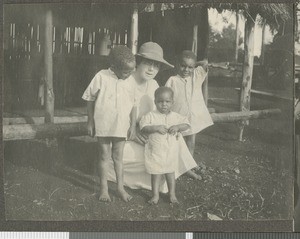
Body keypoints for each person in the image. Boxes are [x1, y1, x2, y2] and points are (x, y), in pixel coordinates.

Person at [107, 42, 200, 193]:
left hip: (148, 134)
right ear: (138, 62)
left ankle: (178, 170)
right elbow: (112, 117)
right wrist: (133, 134)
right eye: (148, 63)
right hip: (123, 137)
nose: (151, 69)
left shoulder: (154, 85)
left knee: (170, 143)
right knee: (152, 159)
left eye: (156, 66)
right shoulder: (124, 82)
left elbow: (159, 114)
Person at [82, 46, 136, 202]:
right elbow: (90, 98)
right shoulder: (101, 76)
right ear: (113, 67)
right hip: (104, 124)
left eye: (131, 71)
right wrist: (90, 121)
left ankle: (120, 188)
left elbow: (134, 103)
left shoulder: (131, 80)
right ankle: (104, 189)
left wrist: (132, 125)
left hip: (121, 125)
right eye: (126, 72)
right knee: (104, 156)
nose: (129, 75)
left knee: (118, 157)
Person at [140, 87, 193, 204]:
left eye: (167, 102)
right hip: (156, 151)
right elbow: (143, 127)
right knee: (156, 173)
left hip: (170, 151)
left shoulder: (175, 116)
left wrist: (178, 127)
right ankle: (155, 196)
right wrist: (155, 127)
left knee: (170, 173)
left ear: (172, 102)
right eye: (160, 101)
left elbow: (187, 124)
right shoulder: (151, 115)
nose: (164, 104)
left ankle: (172, 194)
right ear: (155, 102)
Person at [165, 50, 213, 175]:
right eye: (183, 65)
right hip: (179, 115)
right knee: (178, 141)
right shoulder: (172, 80)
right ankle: (178, 165)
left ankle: (189, 165)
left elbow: (205, 63)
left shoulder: (196, 76)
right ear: (177, 64)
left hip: (193, 116)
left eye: (190, 67)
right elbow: (167, 97)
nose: (186, 69)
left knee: (191, 141)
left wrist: (194, 62)